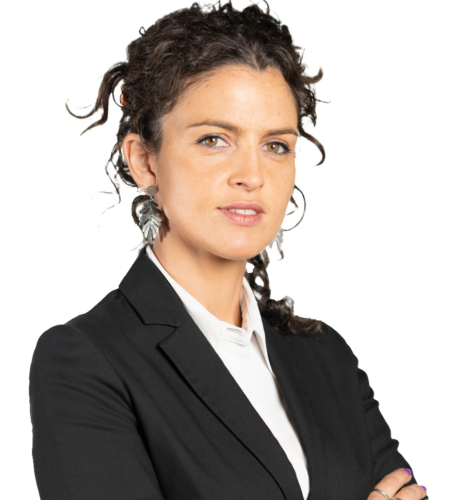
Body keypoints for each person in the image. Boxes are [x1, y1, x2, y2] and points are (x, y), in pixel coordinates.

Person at [29, 1, 428, 499]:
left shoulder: (325, 355)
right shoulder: (87, 361)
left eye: (276, 145)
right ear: (144, 161)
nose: (252, 176)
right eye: (214, 139)